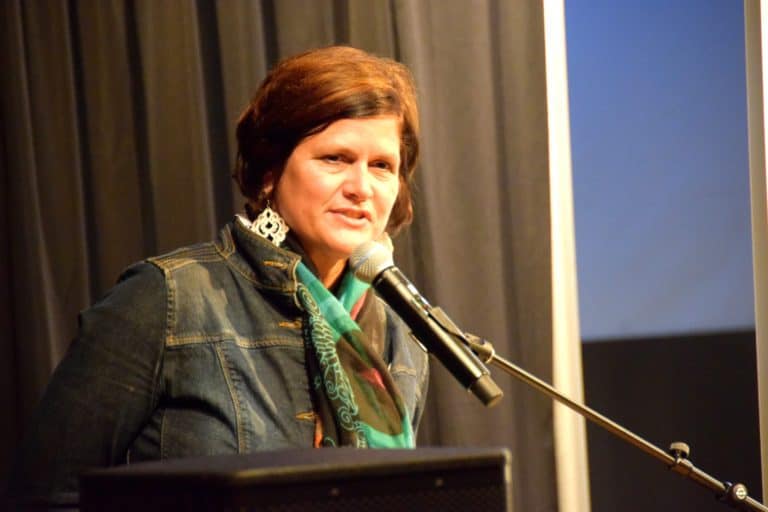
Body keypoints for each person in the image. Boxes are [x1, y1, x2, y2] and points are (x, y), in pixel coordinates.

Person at [9, 46, 429, 506]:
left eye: (382, 166)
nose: (361, 188)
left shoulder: (402, 335)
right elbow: (45, 496)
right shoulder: (165, 300)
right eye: (335, 158)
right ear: (269, 172)